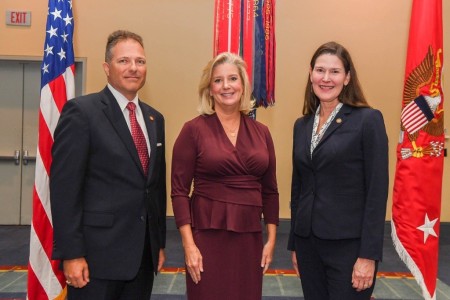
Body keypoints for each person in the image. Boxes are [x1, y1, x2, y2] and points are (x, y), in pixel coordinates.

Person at [50, 30, 167, 299]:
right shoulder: (82, 113)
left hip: (142, 259)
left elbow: (154, 188)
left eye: (140, 61)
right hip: (95, 260)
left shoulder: (154, 119)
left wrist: (157, 244)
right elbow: (65, 190)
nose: (133, 68)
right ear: (106, 67)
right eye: (124, 61)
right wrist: (71, 254)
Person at [171, 52, 279, 300]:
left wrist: (271, 239)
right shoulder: (193, 130)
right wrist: (189, 246)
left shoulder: (262, 133)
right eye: (218, 80)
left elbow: (270, 190)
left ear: (243, 85)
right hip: (206, 237)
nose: (226, 86)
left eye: (232, 78)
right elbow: (179, 191)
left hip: (249, 237)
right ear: (209, 89)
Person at [287, 41, 389, 300]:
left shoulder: (368, 120)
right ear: (310, 74)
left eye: (335, 72)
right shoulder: (302, 125)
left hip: (349, 248)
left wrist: (368, 255)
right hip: (308, 244)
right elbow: (298, 187)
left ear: (347, 78)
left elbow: (377, 192)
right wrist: (295, 245)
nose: (326, 78)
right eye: (320, 70)